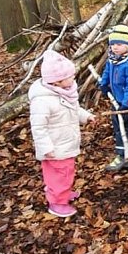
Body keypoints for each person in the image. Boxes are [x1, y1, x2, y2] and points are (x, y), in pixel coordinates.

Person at [29, 50, 94, 218]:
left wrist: (86, 117)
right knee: (60, 175)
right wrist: (46, 147)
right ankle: (57, 203)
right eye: (70, 76)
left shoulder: (65, 92)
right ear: (57, 81)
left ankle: (62, 193)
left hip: (65, 143)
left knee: (64, 173)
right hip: (55, 147)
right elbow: (38, 127)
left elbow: (74, 110)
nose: (74, 78)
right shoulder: (43, 100)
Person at [98, 25, 128, 172]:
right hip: (117, 100)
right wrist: (103, 85)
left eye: (119, 44)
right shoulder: (113, 60)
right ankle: (122, 153)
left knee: (127, 129)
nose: (115, 48)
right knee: (118, 128)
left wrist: (127, 103)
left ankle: (127, 155)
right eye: (112, 44)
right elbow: (107, 72)